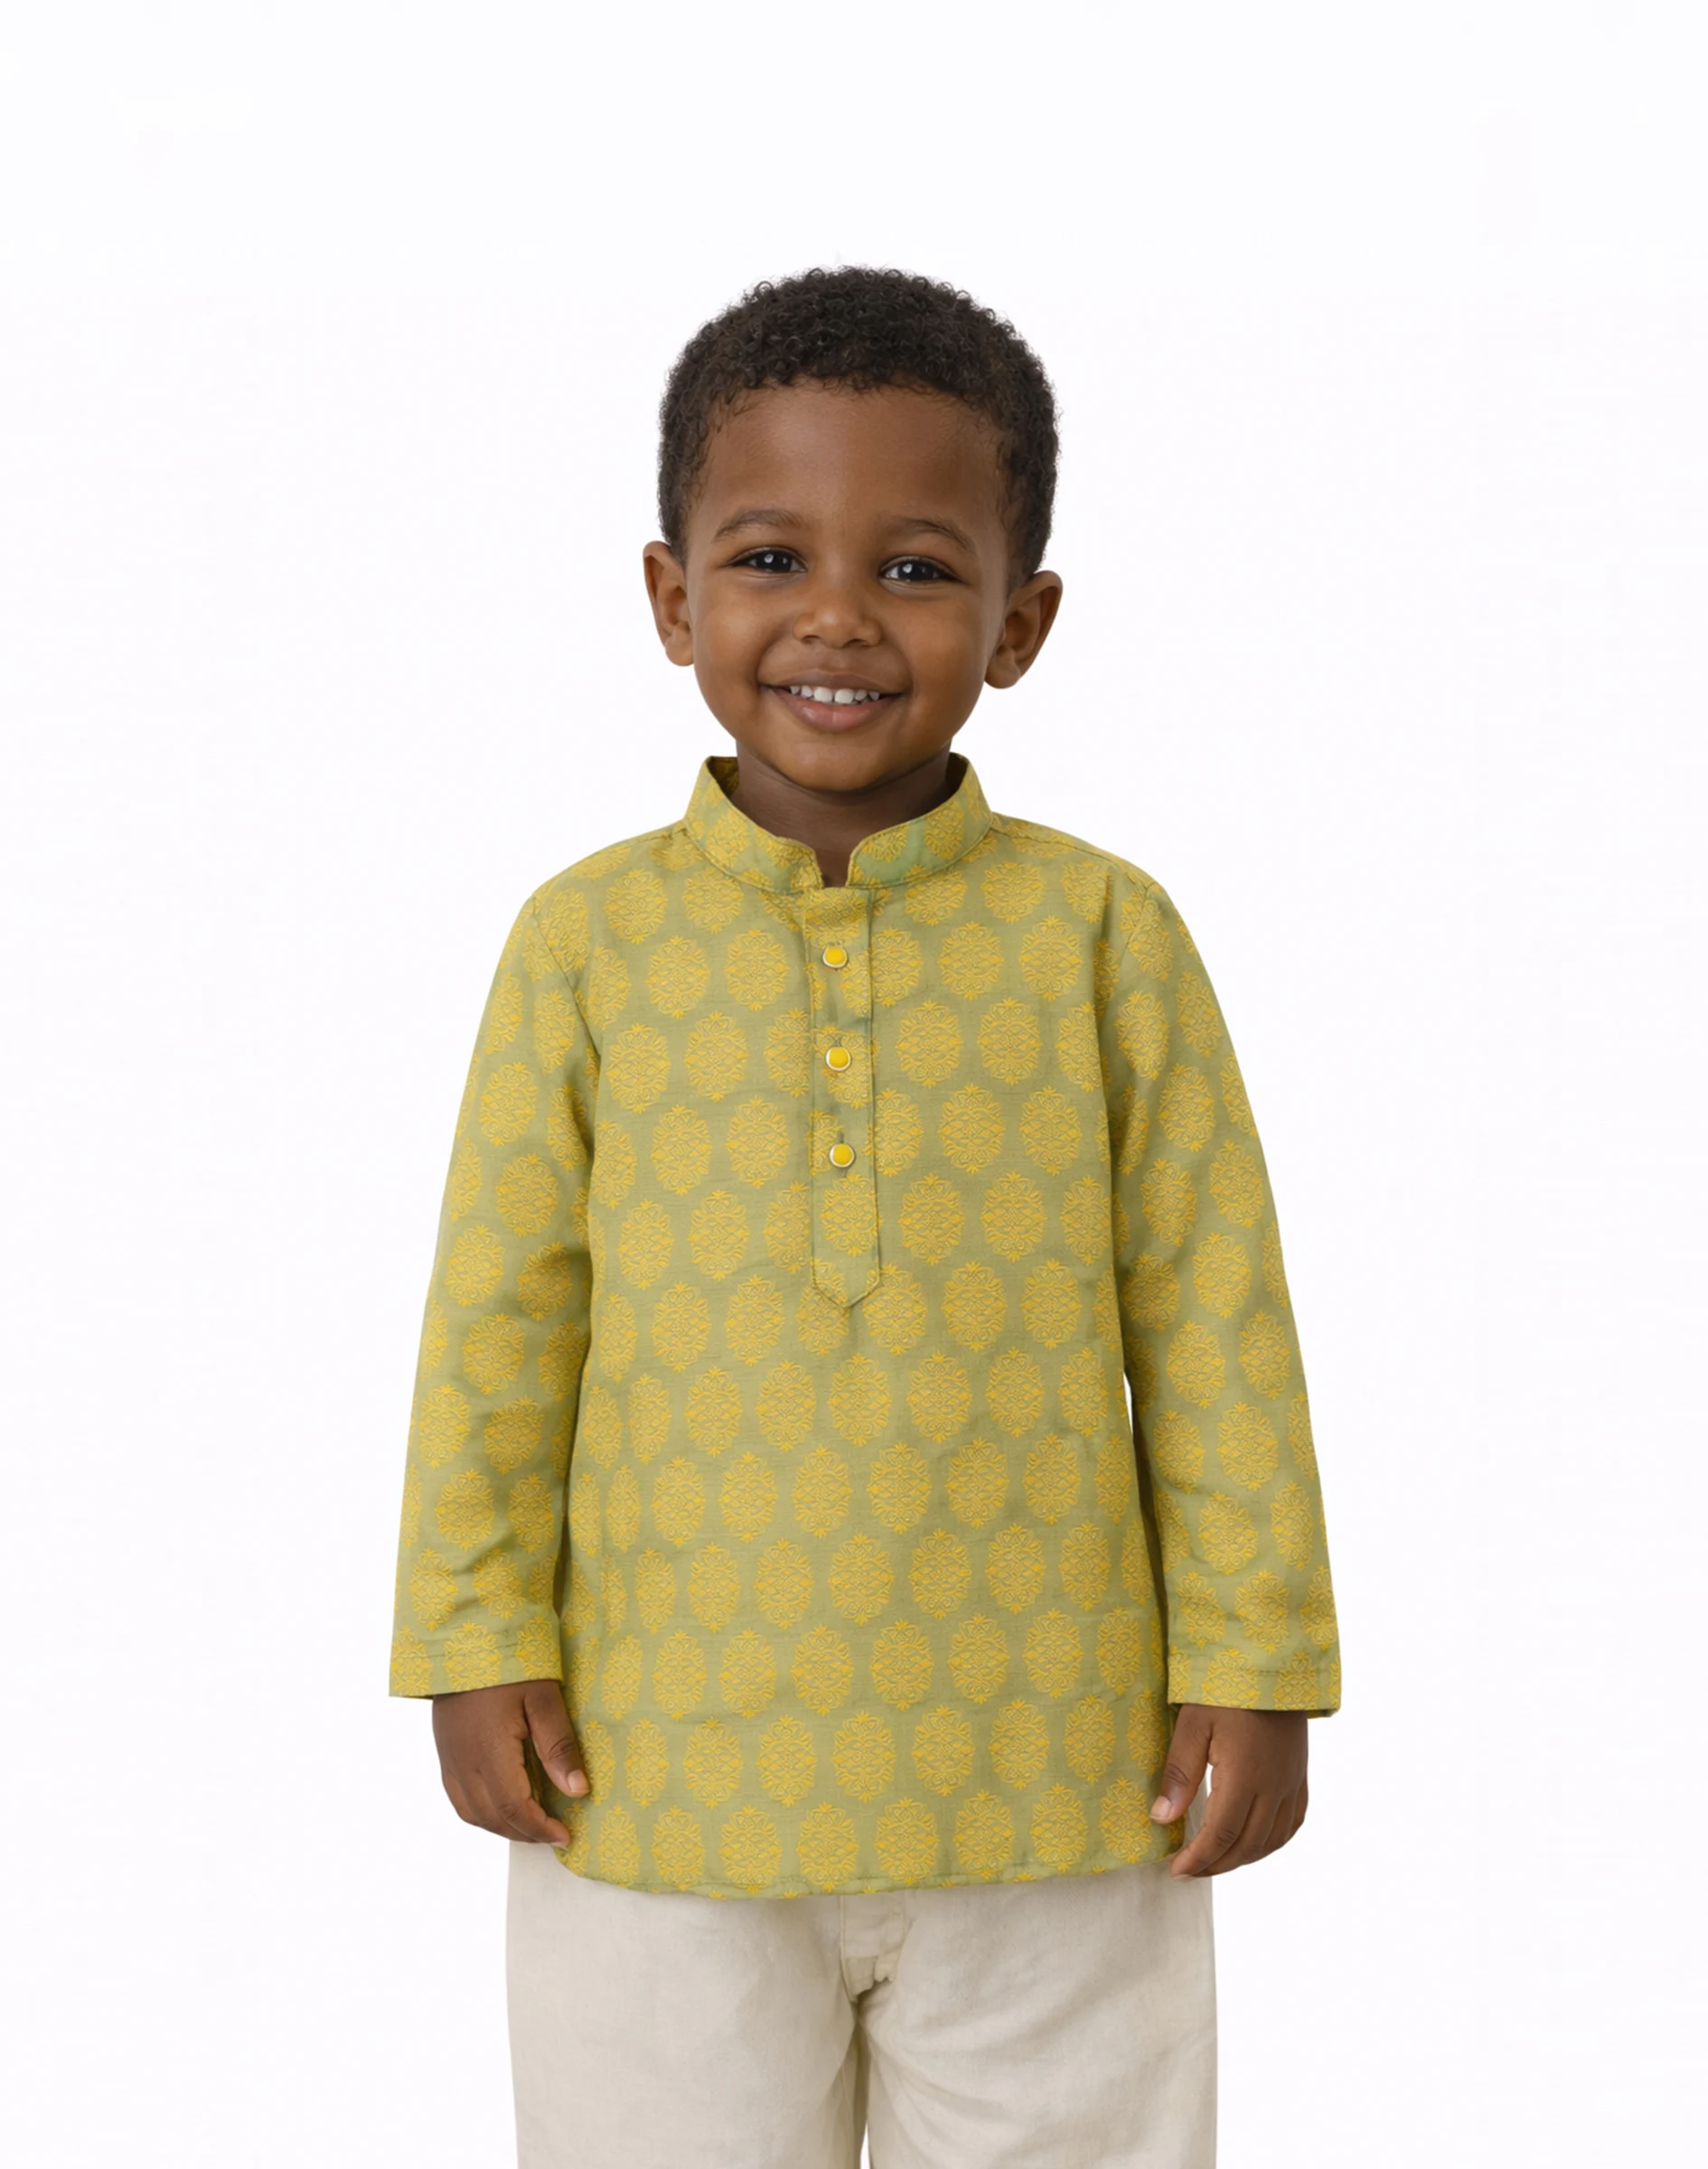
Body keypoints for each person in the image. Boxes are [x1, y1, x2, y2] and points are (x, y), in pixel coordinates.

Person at [389, 267, 1339, 2169]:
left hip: (1061, 1784)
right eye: (768, 558)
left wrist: (1257, 1661)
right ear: (672, 599)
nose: (836, 616)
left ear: (1022, 621)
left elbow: (1212, 1316)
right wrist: (470, 1630)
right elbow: (503, 1319)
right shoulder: (585, 943)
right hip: (652, 1779)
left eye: (914, 568)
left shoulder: (1102, 932)